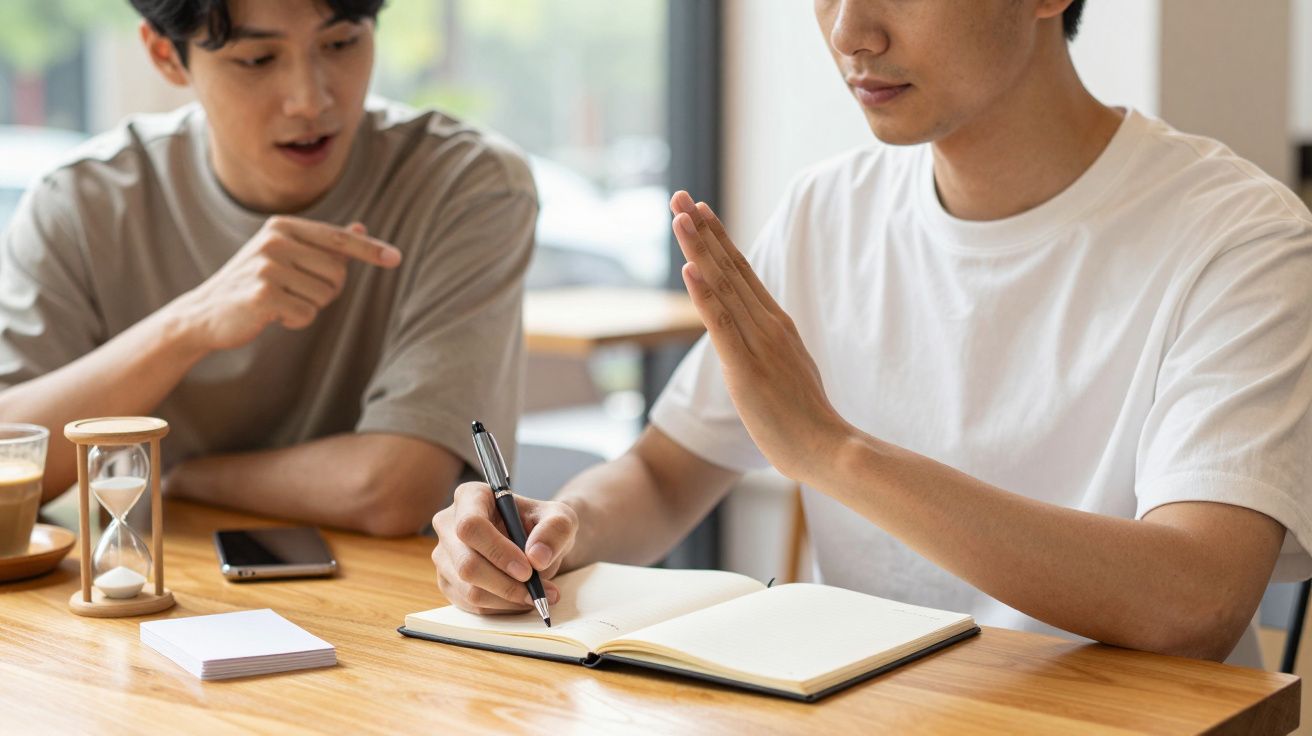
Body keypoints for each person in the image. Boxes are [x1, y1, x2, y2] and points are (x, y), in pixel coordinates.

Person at [431, 0, 1312, 666]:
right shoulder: (830, 210)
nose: (851, 31)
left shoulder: (1237, 237)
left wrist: (831, 449)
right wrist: (551, 532)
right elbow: (664, 476)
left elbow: (1195, 597)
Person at [0, 0, 536, 536]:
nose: (311, 100)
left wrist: (184, 477)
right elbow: (10, 461)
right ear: (166, 55)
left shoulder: (467, 184)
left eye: (341, 43)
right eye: (257, 59)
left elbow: (393, 490)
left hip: (391, 600)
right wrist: (188, 325)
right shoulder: (80, 204)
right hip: (154, 590)